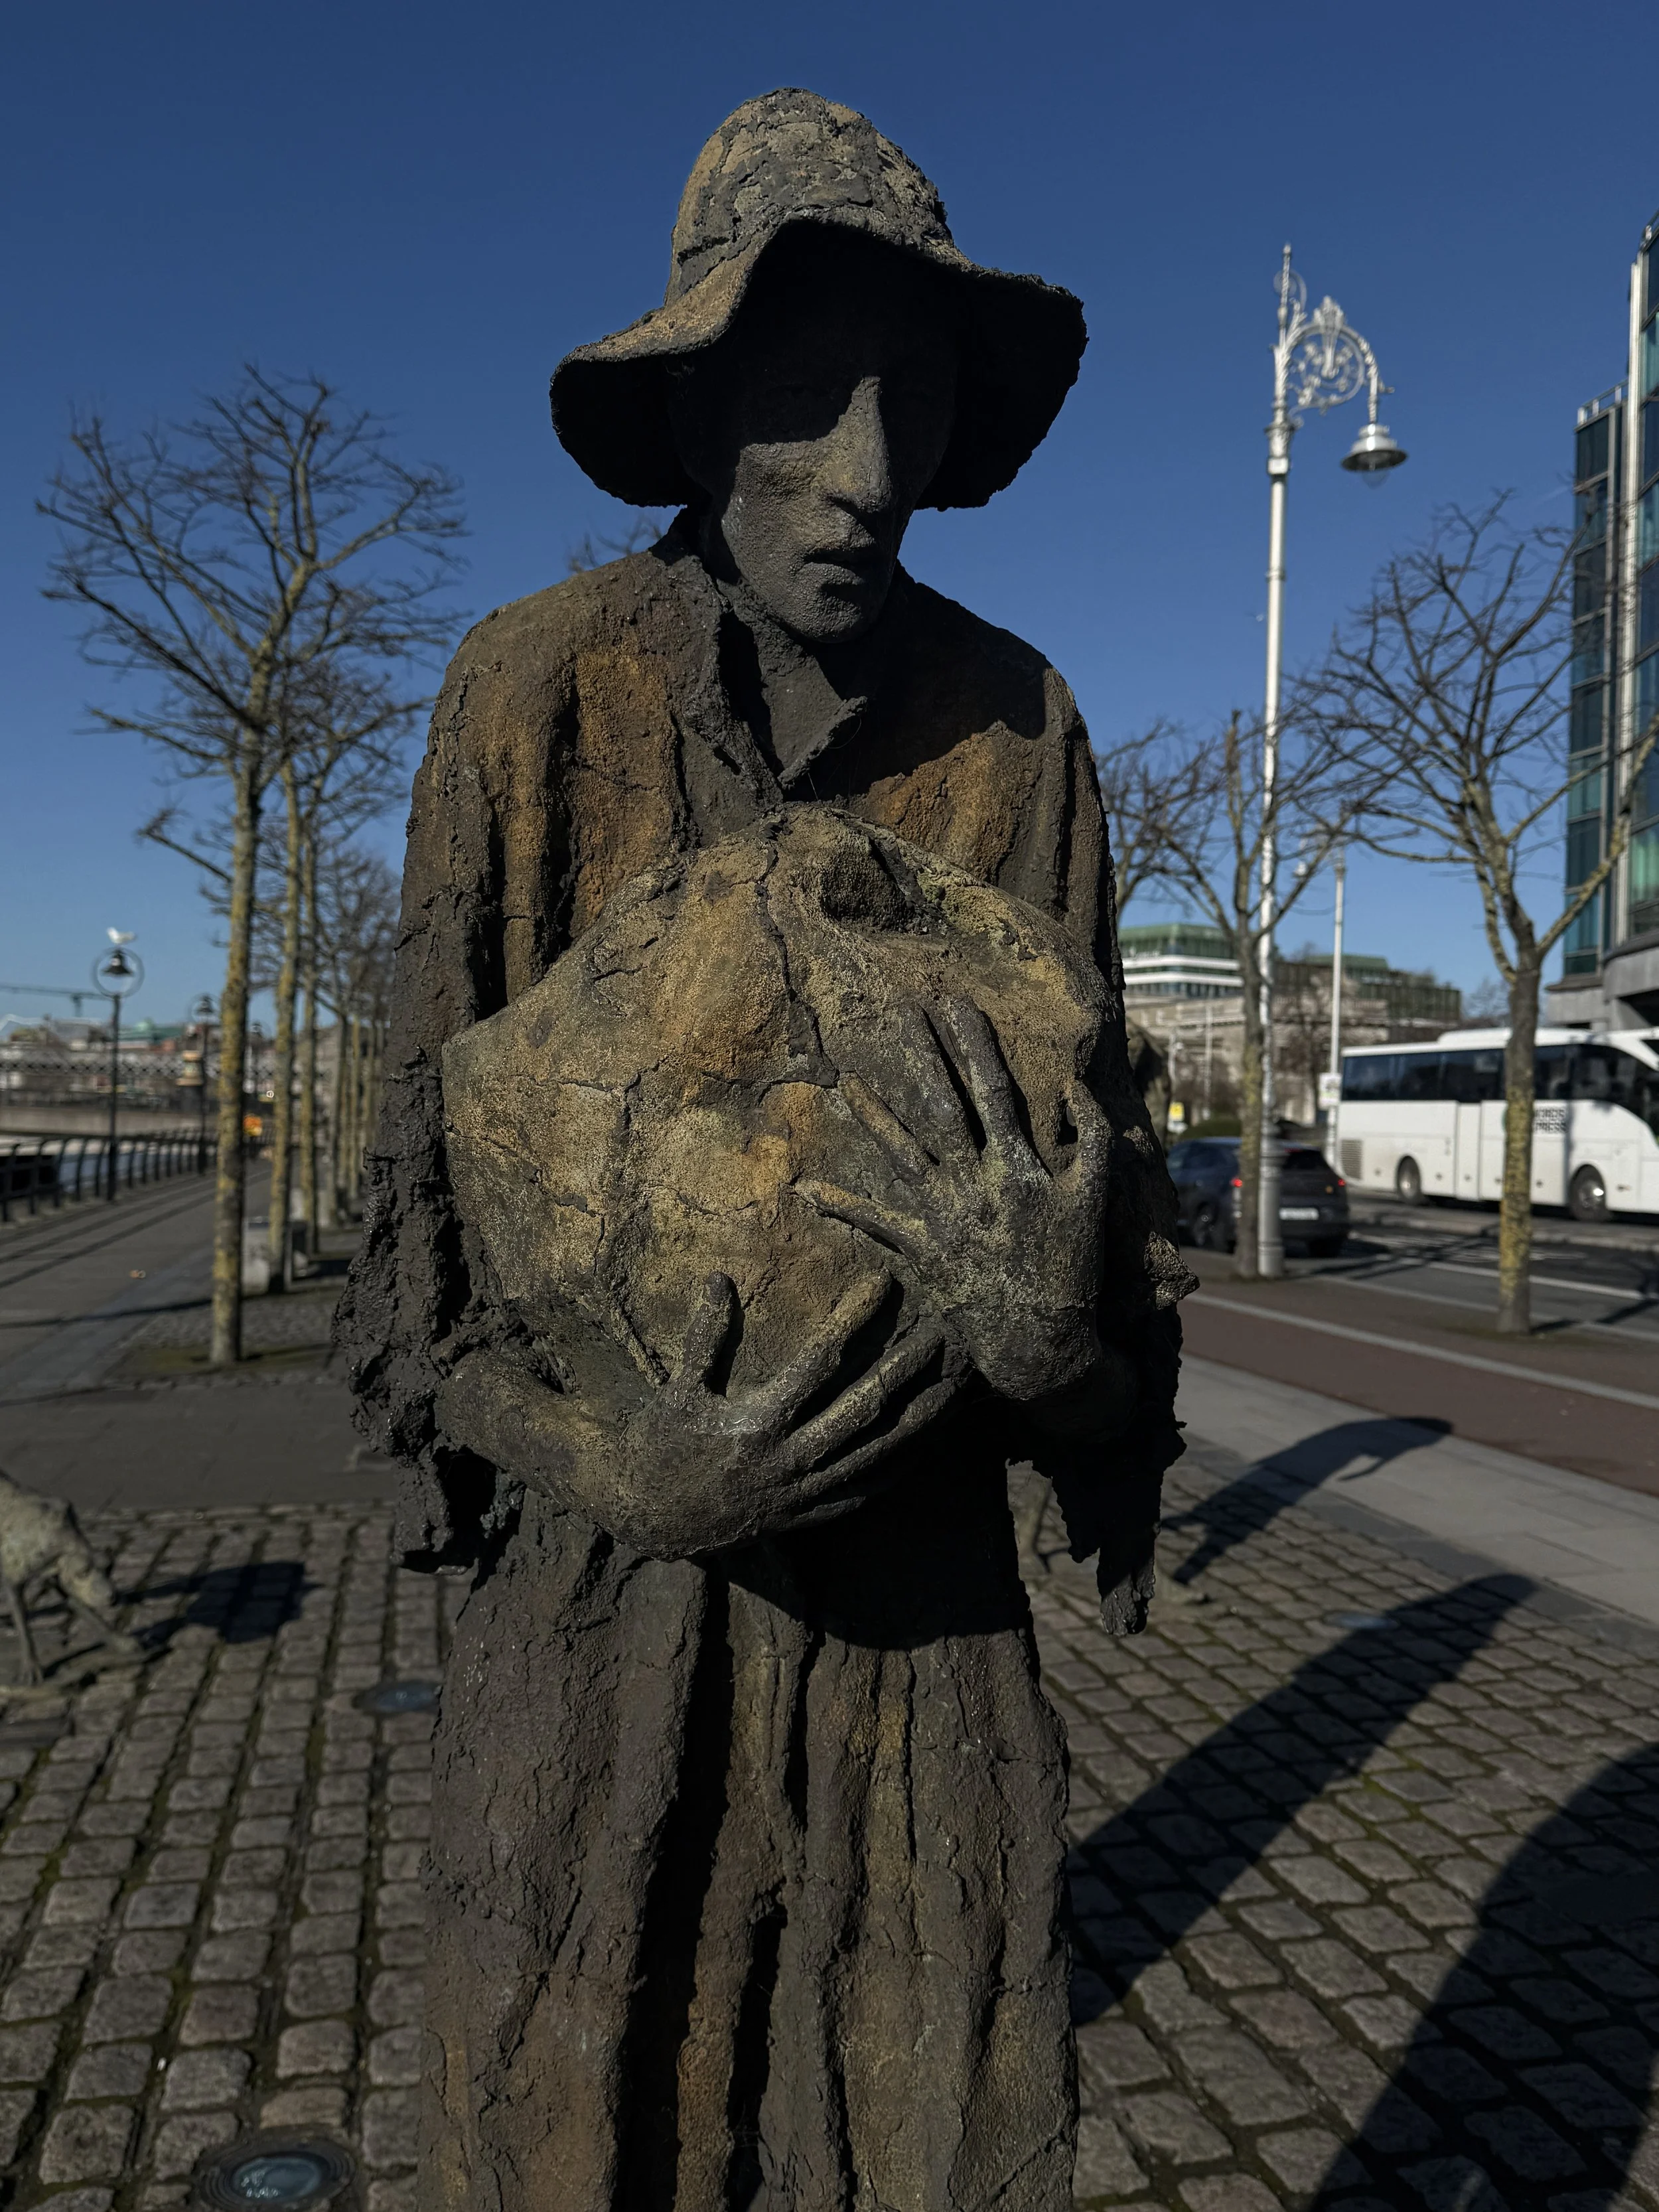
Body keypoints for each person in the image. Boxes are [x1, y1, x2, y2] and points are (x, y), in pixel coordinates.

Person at [338, 88, 1189, 2212]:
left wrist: (1048, 1341)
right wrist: (596, 1457)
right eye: (807, 398)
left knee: (924, 2132)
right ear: (703, 401)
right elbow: (410, 1243)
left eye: (906, 402)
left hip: (920, 1650)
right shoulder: (527, 697)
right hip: (601, 1613)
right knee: (568, 2127)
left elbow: (1114, 1266)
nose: (867, 478)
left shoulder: (1021, 729)